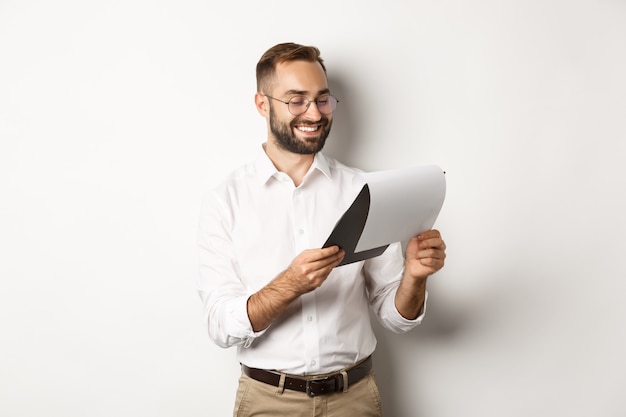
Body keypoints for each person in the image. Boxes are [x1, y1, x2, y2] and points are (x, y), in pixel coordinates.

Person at [197, 42, 447, 417]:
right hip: (268, 402)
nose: (314, 113)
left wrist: (414, 276)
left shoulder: (363, 191)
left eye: (322, 99)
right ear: (262, 104)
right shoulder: (226, 201)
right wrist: (289, 284)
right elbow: (220, 326)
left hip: (354, 400)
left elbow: (396, 319)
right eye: (296, 100)